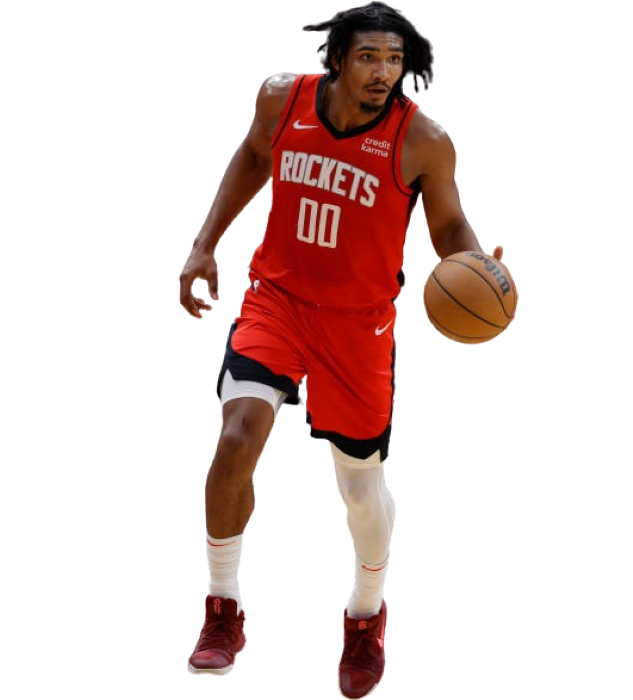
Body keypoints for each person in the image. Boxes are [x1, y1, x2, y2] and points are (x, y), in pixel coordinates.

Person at [178, 1, 503, 696]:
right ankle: (223, 606)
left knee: (358, 485)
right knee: (235, 440)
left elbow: (449, 228)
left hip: (358, 326)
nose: (384, 72)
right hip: (277, 302)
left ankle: (365, 616)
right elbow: (254, 156)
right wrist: (205, 244)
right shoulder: (281, 98)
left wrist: (479, 268)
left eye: (394, 59)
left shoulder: (422, 140)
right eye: (368, 58)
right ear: (334, 60)